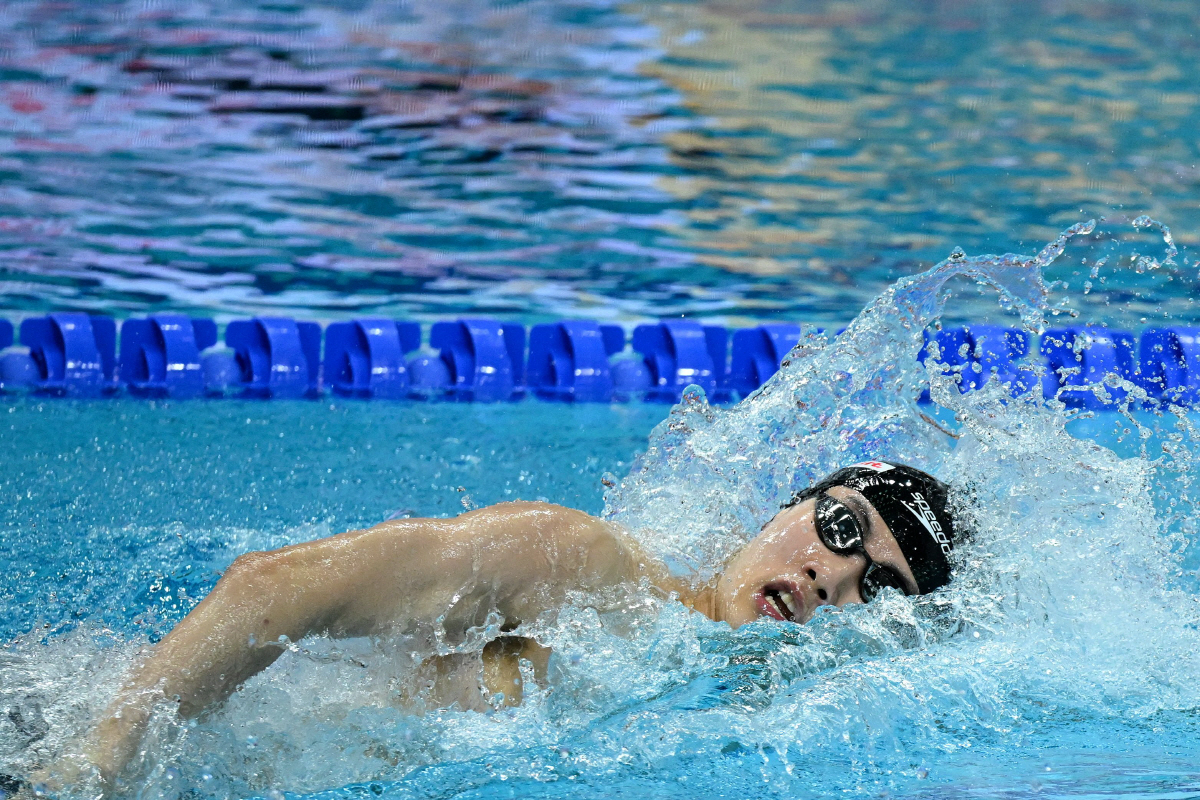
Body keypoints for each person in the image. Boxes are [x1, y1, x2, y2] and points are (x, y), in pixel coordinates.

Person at [56, 460, 964, 792]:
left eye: (873, 587)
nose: (829, 572)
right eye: (840, 529)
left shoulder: (755, 733)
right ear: (787, 508)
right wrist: (97, 764)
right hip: (80, 731)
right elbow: (276, 587)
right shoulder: (588, 570)